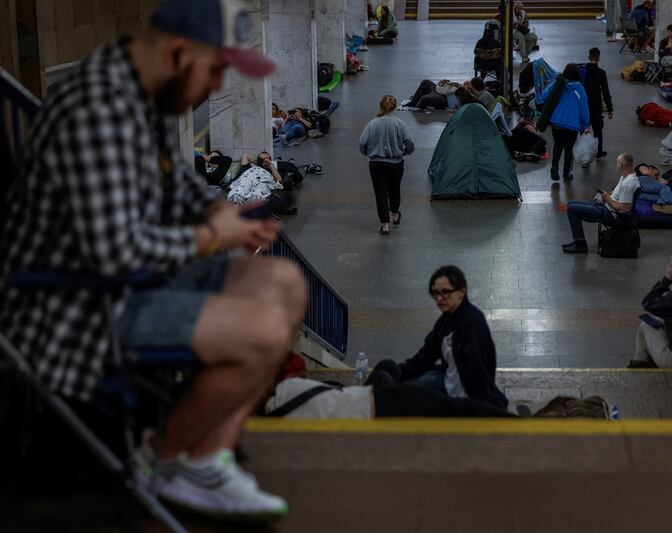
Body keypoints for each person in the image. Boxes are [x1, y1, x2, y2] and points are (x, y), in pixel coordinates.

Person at [0, 0, 304, 520]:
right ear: (178, 52)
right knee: (262, 329)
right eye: (213, 71)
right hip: (75, 309)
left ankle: (203, 459)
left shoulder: (145, 98)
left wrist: (224, 215)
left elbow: (179, 186)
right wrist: (211, 235)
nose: (214, 88)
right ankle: (164, 463)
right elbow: (112, 252)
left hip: (134, 281)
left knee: (286, 283)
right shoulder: (95, 111)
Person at [373, 266, 508, 409]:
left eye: (445, 292)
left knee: (407, 390)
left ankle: (371, 406)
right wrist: (401, 371)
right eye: (435, 293)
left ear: (462, 291)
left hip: (462, 396)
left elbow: (476, 374)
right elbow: (426, 355)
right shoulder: (446, 320)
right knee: (387, 367)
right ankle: (368, 401)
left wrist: (484, 407)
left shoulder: (472, 322)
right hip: (446, 379)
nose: (439, 298)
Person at [264, 376, 514, 419]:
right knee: (460, 408)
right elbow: (331, 386)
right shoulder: (289, 388)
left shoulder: (278, 425)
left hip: (377, 402)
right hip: (386, 402)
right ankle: (518, 423)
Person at [358, 95, 415, 235]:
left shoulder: (373, 123)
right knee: (394, 189)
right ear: (394, 107)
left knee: (380, 193)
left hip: (376, 163)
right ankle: (395, 214)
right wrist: (405, 152)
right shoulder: (399, 123)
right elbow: (409, 142)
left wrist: (368, 153)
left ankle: (385, 225)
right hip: (396, 163)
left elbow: (362, 143)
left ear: (381, 106)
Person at [562, 153, 640, 253]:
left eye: (617, 164)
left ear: (621, 166)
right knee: (571, 204)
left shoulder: (628, 184)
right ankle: (578, 240)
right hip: (606, 207)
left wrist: (607, 199)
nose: (616, 166)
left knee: (572, 209)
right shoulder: (625, 176)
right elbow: (618, 195)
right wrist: (607, 195)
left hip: (611, 216)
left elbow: (623, 209)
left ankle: (580, 244)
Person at [538, 63, 591, 181]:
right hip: (572, 125)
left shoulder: (558, 84)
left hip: (556, 122)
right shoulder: (579, 88)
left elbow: (543, 96)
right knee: (569, 149)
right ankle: (566, 174)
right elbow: (584, 108)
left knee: (558, 145)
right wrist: (586, 125)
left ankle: (554, 167)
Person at [582, 47, 613, 160]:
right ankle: (599, 152)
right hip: (596, 105)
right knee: (598, 130)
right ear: (598, 58)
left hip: (584, 105)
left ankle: (584, 154)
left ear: (589, 57)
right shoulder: (601, 73)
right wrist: (610, 109)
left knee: (584, 130)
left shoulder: (582, 71)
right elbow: (605, 91)